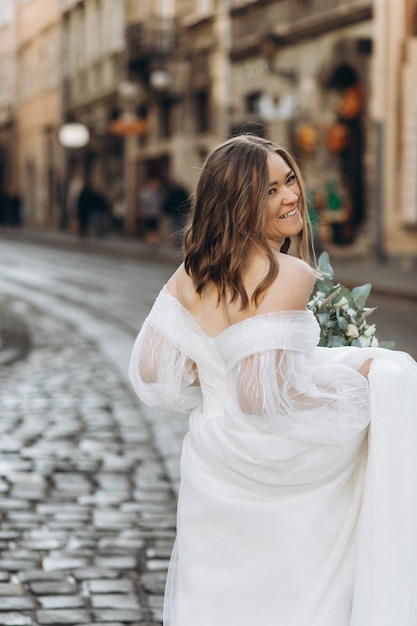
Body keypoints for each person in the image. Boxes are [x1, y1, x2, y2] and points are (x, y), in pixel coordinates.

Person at [129, 134, 417, 626]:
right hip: (273, 471)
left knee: (219, 603)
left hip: (212, 461)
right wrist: (362, 383)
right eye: (269, 190)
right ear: (238, 203)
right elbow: (264, 397)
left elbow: (153, 371)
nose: (291, 197)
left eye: (289, 181)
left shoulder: (190, 272)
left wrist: (213, 371)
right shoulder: (287, 272)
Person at [137, 177, 164, 245]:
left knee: (154, 228)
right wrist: (142, 211)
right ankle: (151, 241)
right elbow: (143, 203)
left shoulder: (158, 193)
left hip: (155, 213)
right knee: (149, 228)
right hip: (148, 213)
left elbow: (161, 203)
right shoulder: (146, 193)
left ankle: (153, 241)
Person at [163, 180, 191, 247]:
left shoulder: (172, 192)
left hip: (174, 212)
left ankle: (178, 240)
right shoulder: (182, 191)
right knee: (180, 226)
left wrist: (166, 211)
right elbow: (188, 200)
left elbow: (168, 202)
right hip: (182, 211)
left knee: (175, 226)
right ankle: (180, 240)